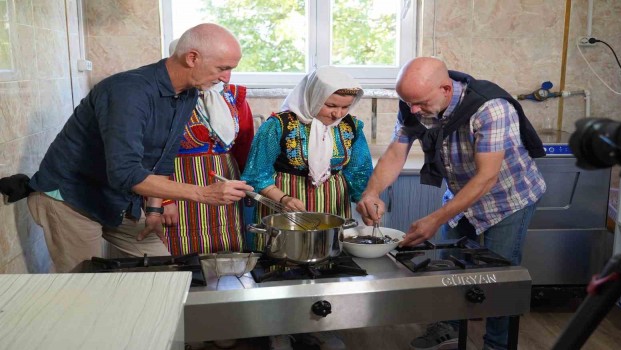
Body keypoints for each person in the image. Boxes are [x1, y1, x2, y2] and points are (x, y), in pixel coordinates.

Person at [26, 23, 254, 273]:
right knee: (86, 285)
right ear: (192, 58)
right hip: (71, 198)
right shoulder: (128, 91)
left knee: (166, 271)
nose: (226, 77)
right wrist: (204, 194)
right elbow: (125, 172)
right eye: (222, 68)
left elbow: (162, 159)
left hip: (113, 197)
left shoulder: (187, 94)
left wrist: (154, 209)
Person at [356, 57, 547, 350]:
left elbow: (486, 178)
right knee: (447, 271)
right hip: (460, 195)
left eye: (418, 103)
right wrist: (371, 193)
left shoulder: (490, 108)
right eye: (408, 103)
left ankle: (496, 345)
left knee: (498, 280)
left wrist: (436, 219)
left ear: (446, 88)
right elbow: (396, 152)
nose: (413, 110)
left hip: (507, 198)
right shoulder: (414, 104)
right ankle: (447, 331)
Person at [241, 66, 373, 350]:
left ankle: (320, 325)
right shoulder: (278, 125)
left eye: (345, 107)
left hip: (331, 203)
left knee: (326, 263)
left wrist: (366, 199)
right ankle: (278, 328)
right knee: (282, 264)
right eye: (331, 105)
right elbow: (255, 174)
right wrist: (283, 198)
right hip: (285, 205)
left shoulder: (351, 127)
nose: (338, 114)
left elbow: (360, 171)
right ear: (313, 97)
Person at [162, 39, 255, 256]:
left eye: (228, 69)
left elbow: (244, 145)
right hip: (180, 183)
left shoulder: (234, 97)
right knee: (180, 246)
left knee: (227, 245)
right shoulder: (167, 99)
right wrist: (164, 200)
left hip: (226, 180)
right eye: (221, 68)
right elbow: (152, 154)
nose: (224, 76)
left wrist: (248, 186)